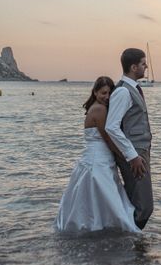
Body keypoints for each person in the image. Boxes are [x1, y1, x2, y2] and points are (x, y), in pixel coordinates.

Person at [55, 76, 140, 233]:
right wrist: (124, 156)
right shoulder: (100, 109)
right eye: (103, 93)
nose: (107, 97)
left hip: (95, 156)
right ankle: (115, 227)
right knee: (107, 194)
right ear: (95, 92)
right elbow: (108, 138)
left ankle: (98, 226)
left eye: (109, 93)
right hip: (98, 159)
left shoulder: (94, 107)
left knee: (96, 195)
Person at [105, 48, 154, 230]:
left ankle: (128, 245)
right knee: (145, 207)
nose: (146, 67)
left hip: (139, 152)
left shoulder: (133, 89)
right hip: (135, 155)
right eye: (143, 63)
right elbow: (111, 126)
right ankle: (130, 242)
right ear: (134, 67)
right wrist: (132, 156)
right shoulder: (123, 92)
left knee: (135, 201)